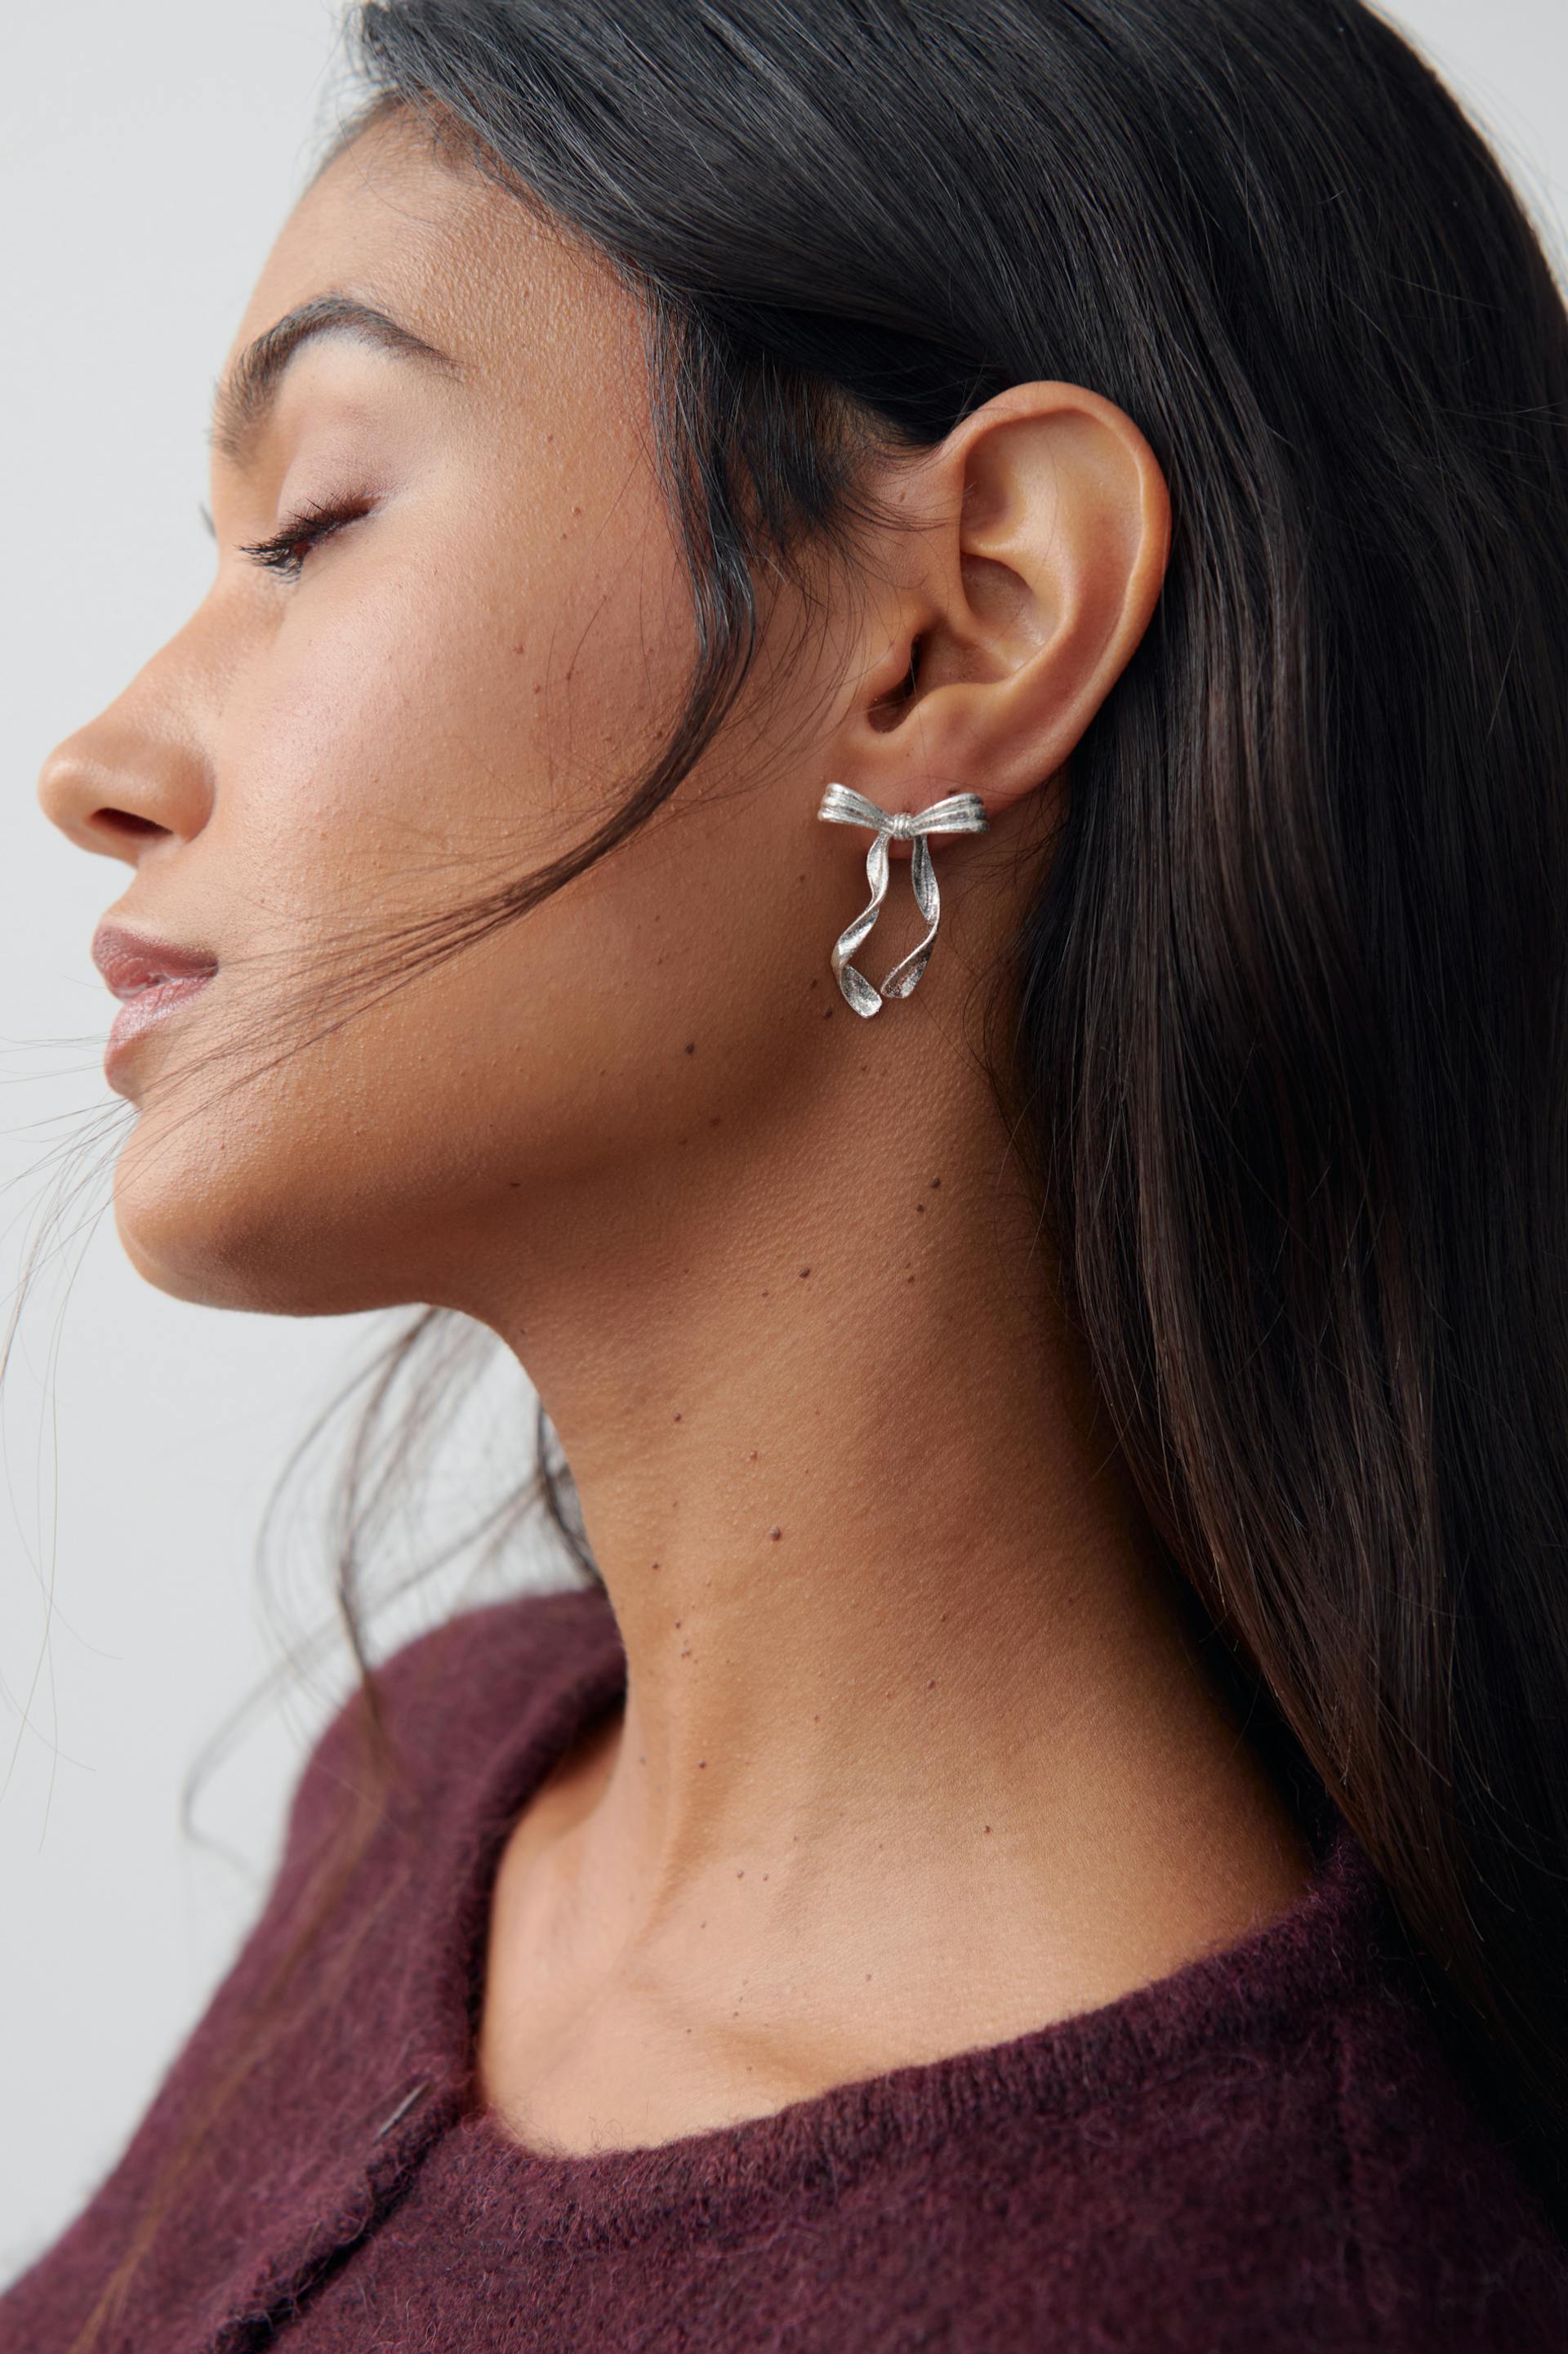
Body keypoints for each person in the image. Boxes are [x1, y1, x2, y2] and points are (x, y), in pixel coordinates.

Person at [7, 1, 1568, 2346]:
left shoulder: (1241, 2280)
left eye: (315, 525)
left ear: (965, 627)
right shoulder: (439, 1781)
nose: (98, 759)